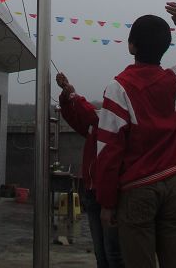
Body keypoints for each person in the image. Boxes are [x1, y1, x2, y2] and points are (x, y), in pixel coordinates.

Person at [95, 2, 176, 268]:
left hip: (136, 192)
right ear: (166, 47)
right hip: (172, 186)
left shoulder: (118, 88)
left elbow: (108, 151)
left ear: (131, 46)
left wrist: (107, 203)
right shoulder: (175, 81)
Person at [56, 72, 123, 268]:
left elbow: (85, 110)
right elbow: (74, 115)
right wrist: (66, 95)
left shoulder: (116, 123)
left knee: (114, 253)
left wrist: (71, 93)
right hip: (93, 195)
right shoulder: (95, 123)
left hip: (112, 197)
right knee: (100, 252)